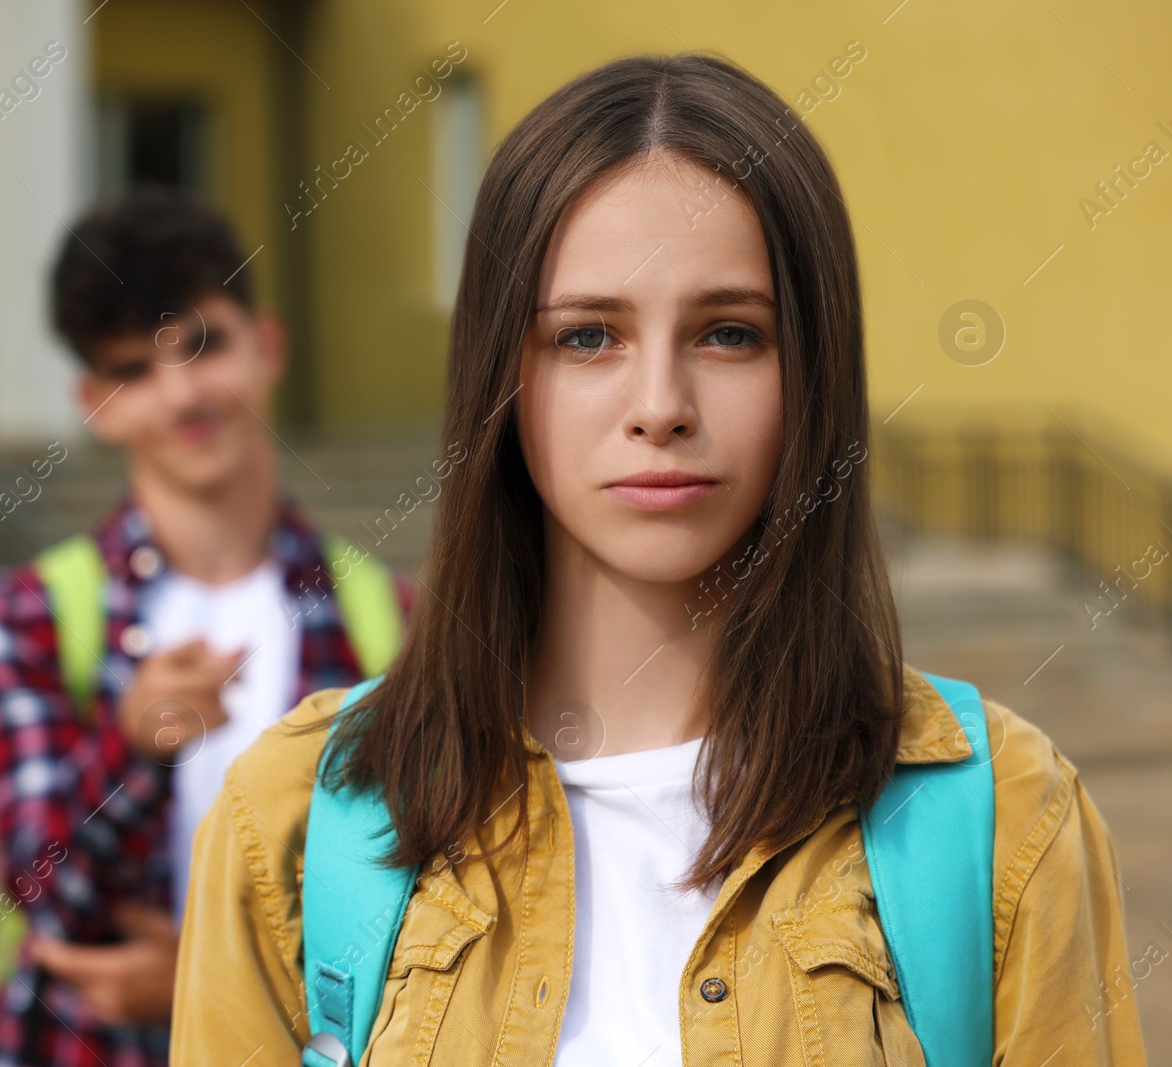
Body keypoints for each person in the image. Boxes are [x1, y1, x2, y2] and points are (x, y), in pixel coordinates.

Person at [170, 54, 1148, 1065]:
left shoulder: (1004, 817)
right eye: (587, 336)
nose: (659, 405)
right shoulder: (291, 822)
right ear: (500, 375)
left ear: (812, 370)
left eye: (729, 333)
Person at [0, 187, 416, 1066]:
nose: (180, 393)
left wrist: (201, 978)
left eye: (202, 345)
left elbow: (424, 901)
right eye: (133, 368)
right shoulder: (26, 615)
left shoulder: (389, 616)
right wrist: (132, 746)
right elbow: (45, 902)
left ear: (268, 346)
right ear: (94, 401)